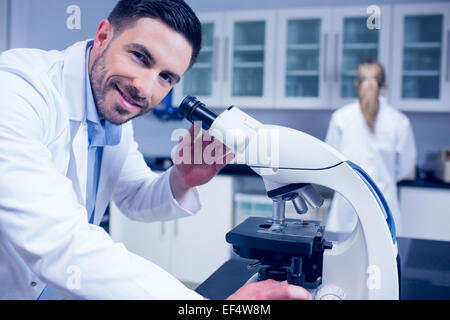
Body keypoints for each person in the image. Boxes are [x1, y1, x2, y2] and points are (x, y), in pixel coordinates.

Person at [0, 0, 310, 300]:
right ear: (103, 35)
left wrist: (181, 179)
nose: (145, 88)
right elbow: (59, 242)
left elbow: (134, 194)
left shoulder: (113, 110)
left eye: (166, 77)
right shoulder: (18, 91)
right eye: (139, 57)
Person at [325, 59, 417, 238]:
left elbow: (329, 163)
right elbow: (404, 169)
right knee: (384, 261)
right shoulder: (399, 122)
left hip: (346, 208)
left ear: (356, 84)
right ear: (385, 85)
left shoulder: (341, 118)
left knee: (343, 264)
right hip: (384, 206)